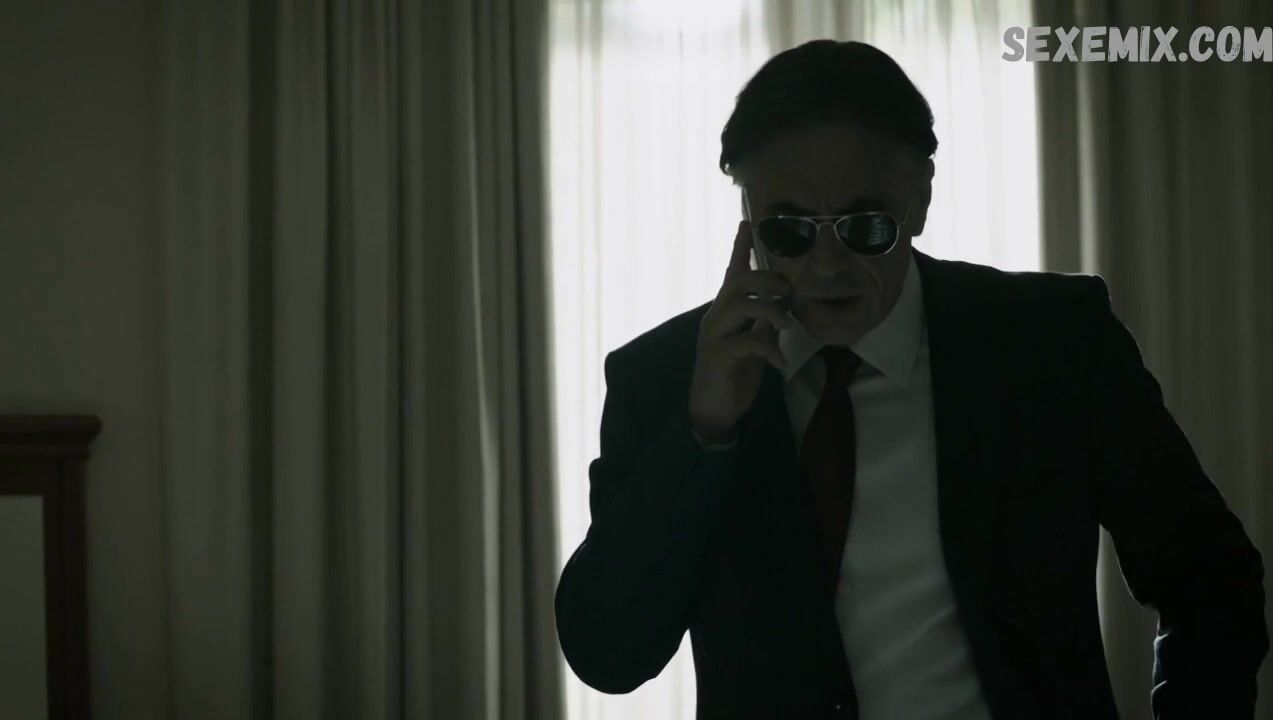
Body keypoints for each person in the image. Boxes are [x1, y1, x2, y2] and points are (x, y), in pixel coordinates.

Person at [553, 40, 1267, 719]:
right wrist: (702, 436)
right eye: (789, 230)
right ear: (745, 213)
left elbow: (1208, 576)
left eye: (864, 226)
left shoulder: (1051, 343)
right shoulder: (666, 378)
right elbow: (608, 656)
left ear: (919, 199)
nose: (826, 265)